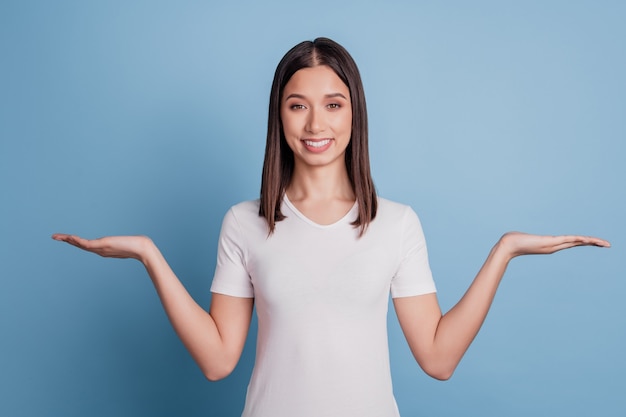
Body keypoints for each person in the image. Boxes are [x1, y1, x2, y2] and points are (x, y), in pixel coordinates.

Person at [52, 37, 610, 417]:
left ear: (353, 113)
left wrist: (505, 251)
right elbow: (219, 360)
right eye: (298, 106)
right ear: (279, 116)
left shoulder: (396, 224)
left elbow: (438, 359)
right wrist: (151, 255)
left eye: (333, 104)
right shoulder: (245, 223)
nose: (316, 123)